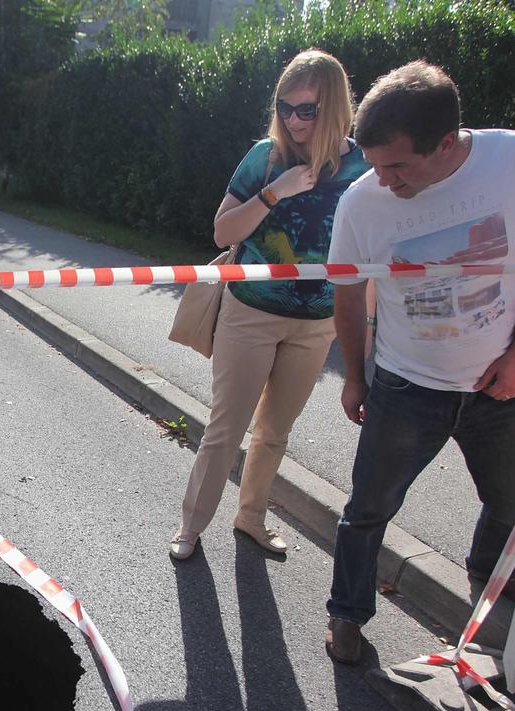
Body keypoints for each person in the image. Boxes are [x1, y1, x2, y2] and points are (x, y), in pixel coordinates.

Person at [323, 60, 515, 664]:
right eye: (372, 163)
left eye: (397, 166)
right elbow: (348, 293)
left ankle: (491, 598)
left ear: (445, 143)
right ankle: (347, 615)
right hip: (407, 387)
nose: (381, 180)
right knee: (368, 509)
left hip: (502, 385)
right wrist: (356, 374)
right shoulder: (363, 201)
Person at [170, 49, 370, 561]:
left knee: (275, 432)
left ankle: (251, 519)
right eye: (286, 107)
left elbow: (374, 246)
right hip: (251, 311)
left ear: (337, 108)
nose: (295, 120)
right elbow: (222, 230)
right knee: (225, 428)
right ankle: (190, 527)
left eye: (309, 110)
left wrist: (367, 326)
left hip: (316, 323)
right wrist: (274, 193)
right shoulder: (266, 157)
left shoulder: (362, 166)